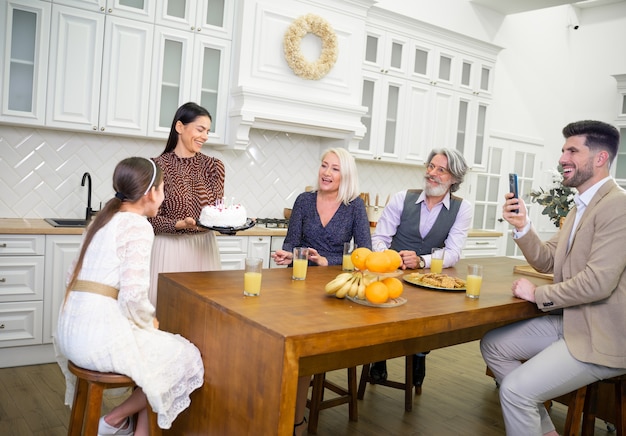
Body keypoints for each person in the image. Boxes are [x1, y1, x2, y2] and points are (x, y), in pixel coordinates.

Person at [480, 120, 626, 436]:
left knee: (516, 391)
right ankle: (545, 432)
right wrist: (522, 226)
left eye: (572, 150)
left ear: (600, 159)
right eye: (563, 150)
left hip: (600, 337)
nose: (562, 158)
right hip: (572, 322)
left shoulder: (619, 206)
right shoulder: (580, 208)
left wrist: (538, 295)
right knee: (494, 345)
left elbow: (598, 282)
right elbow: (548, 259)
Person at [54, 157, 204, 434]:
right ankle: (113, 421)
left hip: (68, 332)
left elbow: (69, 278)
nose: (164, 196)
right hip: (94, 340)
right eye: (162, 189)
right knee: (187, 357)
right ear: (150, 192)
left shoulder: (101, 221)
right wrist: (150, 323)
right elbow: (134, 297)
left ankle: (133, 428)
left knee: (155, 360)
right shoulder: (137, 226)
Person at [271, 147, 372, 436]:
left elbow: (365, 253)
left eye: (335, 168)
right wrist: (289, 256)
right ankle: (283, 406)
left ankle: (295, 421)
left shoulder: (354, 206)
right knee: (287, 346)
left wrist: (329, 261)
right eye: (324, 166)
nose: (326, 173)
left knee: (305, 352)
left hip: (333, 289)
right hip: (299, 284)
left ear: (346, 175)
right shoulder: (304, 201)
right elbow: (292, 242)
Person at [368, 148, 472, 393]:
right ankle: (379, 356)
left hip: (427, 277)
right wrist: (389, 256)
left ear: (454, 179)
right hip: (392, 273)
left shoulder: (462, 208)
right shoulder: (401, 198)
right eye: (430, 166)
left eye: (440, 170)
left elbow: (454, 252)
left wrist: (422, 261)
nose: (431, 173)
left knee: (427, 317)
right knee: (385, 317)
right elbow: (379, 238)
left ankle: (420, 355)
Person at [148, 102, 225, 306]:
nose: (205, 136)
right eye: (200, 129)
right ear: (180, 127)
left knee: (203, 313)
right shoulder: (157, 166)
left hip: (205, 248)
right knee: (168, 311)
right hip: (170, 248)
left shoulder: (214, 167)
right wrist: (177, 225)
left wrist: (228, 222)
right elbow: (149, 218)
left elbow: (216, 211)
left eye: (208, 131)